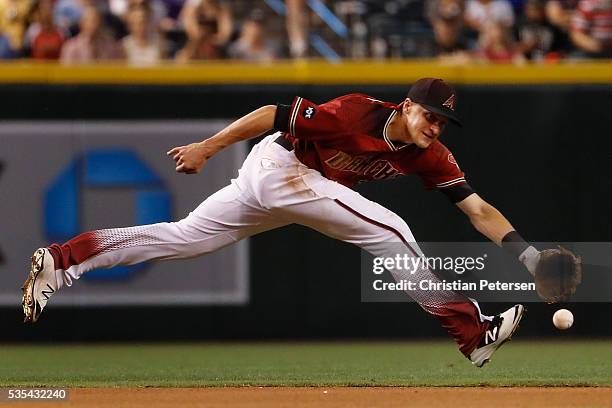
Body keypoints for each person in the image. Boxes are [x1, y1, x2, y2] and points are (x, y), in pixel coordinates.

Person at [22, 78, 543, 367]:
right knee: (391, 232)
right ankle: (472, 333)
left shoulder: (431, 155)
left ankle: (63, 261)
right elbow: (274, 113)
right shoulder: (355, 113)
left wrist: (532, 256)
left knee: (184, 239)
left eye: (442, 120)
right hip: (278, 167)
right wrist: (207, 146)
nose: (434, 126)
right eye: (428, 114)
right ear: (406, 107)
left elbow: (477, 209)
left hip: (295, 186)